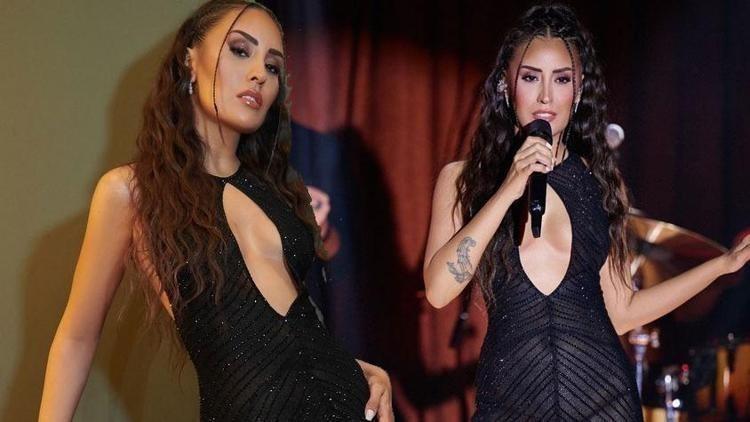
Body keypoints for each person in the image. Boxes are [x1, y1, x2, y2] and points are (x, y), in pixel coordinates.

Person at [38, 1, 393, 421]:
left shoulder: (278, 193)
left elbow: (296, 333)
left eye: (273, 67)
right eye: (240, 50)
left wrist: (356, 370)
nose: (260, 73)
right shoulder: (132, 192)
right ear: (191, 59)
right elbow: (76, 339)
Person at [422, 4, 750, 421]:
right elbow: (438, 290)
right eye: (530, 78)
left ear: (577, 93)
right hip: (509, 404)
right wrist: (508, 189)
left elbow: (623, 311)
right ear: (506, 85)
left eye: (561, 80)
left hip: (603, 402)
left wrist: (722, 264)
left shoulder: (600, 184)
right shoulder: (463, 179)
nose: (546, 96)